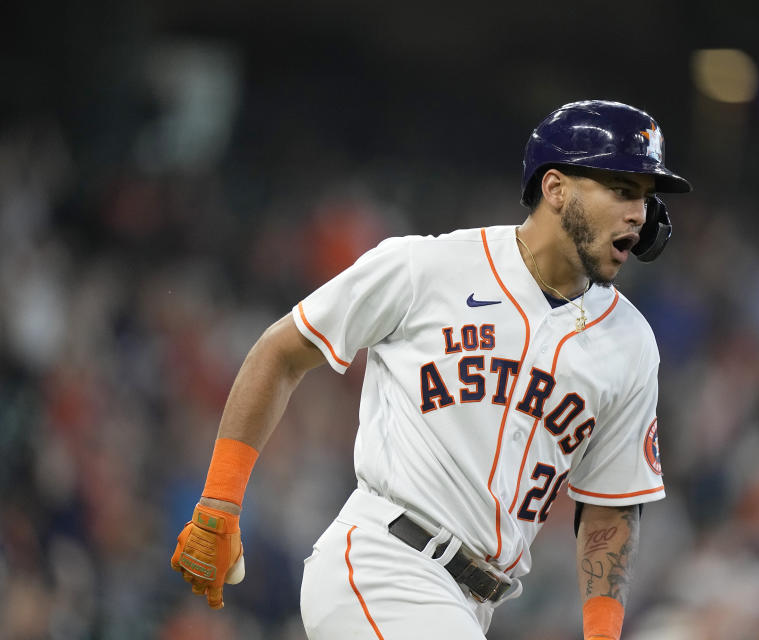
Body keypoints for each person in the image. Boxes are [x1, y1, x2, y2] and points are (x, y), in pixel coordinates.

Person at [170, 99, 692, 640]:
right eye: (623, 190)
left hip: (471, 606)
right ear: (555, 188)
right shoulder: (428, 268)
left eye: (647, 198)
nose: (639, 213)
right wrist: (219, 501)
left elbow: (608, 510)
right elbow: (281, 352)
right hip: (383, 563)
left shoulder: (629, 342)